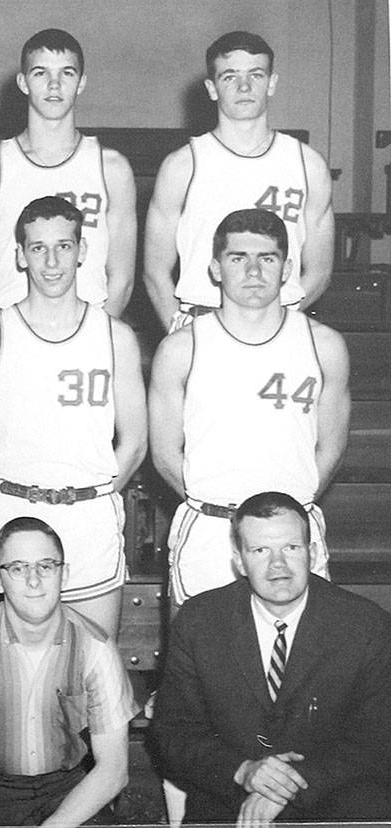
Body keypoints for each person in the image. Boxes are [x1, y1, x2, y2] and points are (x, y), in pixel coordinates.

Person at [0, 196, 146, 638]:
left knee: (91, 670)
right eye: (38, 248)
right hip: (13, 510)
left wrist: (89, 496)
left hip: (89, 516)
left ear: (82, 251)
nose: (52, 260)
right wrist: (19, 496)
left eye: (63, 246)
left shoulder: (115, 337)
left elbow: (134, 442)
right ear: (20, 256)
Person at [151, 492, 391, 823]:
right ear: (238, 559)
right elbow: (173, 732)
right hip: (229, 797)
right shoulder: (199, 621)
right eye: (260, 550)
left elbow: (377, 739)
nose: (277, 565)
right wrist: (243, 772)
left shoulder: (366, 624)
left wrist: (288, 787)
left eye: (291, 548)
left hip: (332, 797)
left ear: (314, 551)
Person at [149, 209, 348, 605]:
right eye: (238, 258)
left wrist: (284, 513)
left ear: (287, 267)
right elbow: (165, 454)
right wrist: (219, 509)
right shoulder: (181, 348)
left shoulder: (324, 346)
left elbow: (331, 447)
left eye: (268, 258)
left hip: (290, 536)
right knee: (201, 661)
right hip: (211, 532)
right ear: (215, 268)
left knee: (299, 662)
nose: (254, 271)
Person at [0, 517, 134, 826]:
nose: (34, 581)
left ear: (65, 574)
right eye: (18, 568)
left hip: (68, 787)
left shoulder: (96, 646)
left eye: (46, 566)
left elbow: (114, 769)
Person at [143, 31, 334, 331]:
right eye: (230, 77)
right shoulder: (182, 165)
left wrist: (276, 321)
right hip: (201, 320)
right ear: (212, 88)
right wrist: (178, 330)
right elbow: (155, 270)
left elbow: (320, 271)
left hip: (278, 323)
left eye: (256, 75)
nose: (244, 86)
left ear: (271, 83)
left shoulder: (308, 165)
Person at [0, 29, 136, 320]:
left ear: (81, 83)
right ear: (23, 82)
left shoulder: (112, 169)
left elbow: (121, 277)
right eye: (41, 73)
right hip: (12, 327)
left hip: (88, 327)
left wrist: (97, 335)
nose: (54, 85)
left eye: (67, 73)